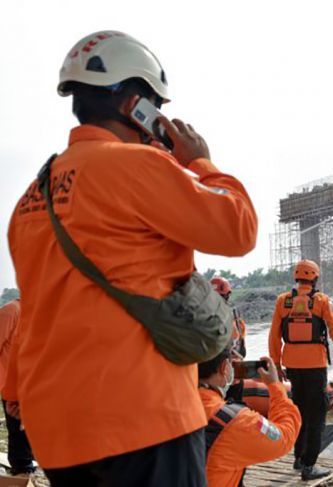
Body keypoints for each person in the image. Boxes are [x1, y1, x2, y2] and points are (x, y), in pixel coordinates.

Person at [5, 31, 257, 486]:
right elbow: (239, 228)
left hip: (60, 432)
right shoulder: (135, 166)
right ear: (133, 105)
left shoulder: (29, 199)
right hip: (143, 419)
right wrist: (200, 162)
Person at [268, 259, 333, 481]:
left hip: (292, 365)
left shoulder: (283, 301)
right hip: (315, 366)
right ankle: (309, 466)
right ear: (315, 278)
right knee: (317, 415)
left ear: (296, 277)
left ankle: (298, 459)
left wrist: (276, 362)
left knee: (299, 412)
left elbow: (274, 334)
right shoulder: (321, 300)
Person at [198, 351, 301, 487]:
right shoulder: (237, 421)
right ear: (224, 367)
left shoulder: (166, 403)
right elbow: (285, 435)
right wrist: (275, 386)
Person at [0, 300, 35, 476]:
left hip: (31, 382)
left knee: (29, 428)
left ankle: (26, 466)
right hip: (11, 383)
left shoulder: (36, 312)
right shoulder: (11, 310)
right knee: (17, 430)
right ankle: (22, 469)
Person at [211, 276, 247, 403]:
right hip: (234, 372)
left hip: (218, 376)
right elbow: (241, 342)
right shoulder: (235, 316)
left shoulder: (205, 318)